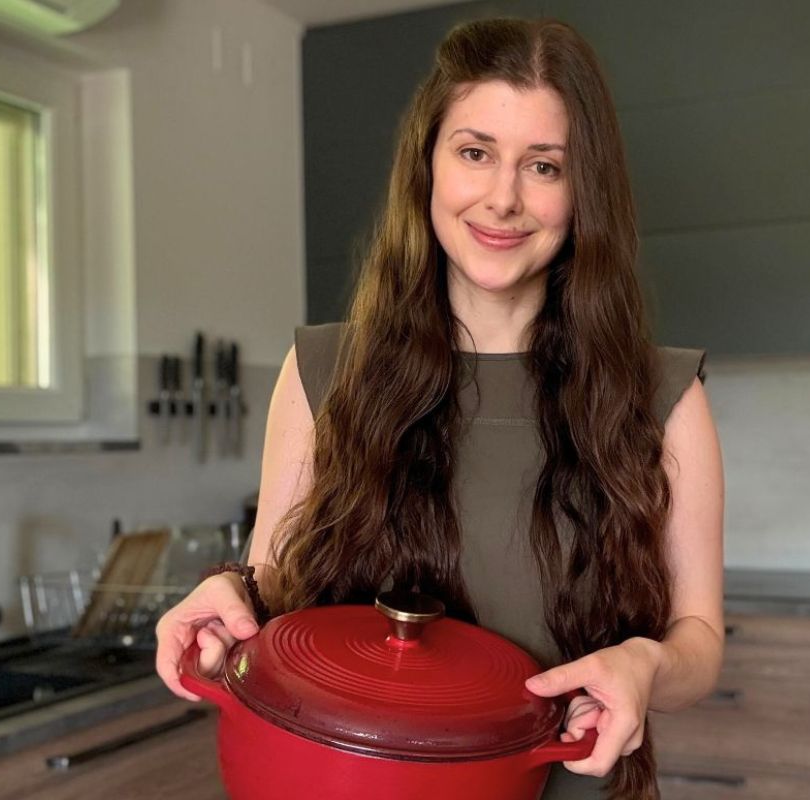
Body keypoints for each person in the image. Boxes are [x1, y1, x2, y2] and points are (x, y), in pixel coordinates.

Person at [156, 17, 724, 800]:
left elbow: (699, 640)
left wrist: (648, 663)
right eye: (475, 152)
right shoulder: (325, 371)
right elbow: (273, 580)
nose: (504, 198)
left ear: (583, 188)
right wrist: (230, 598)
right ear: (426, 165)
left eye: (545, 166)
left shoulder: (663, 396)